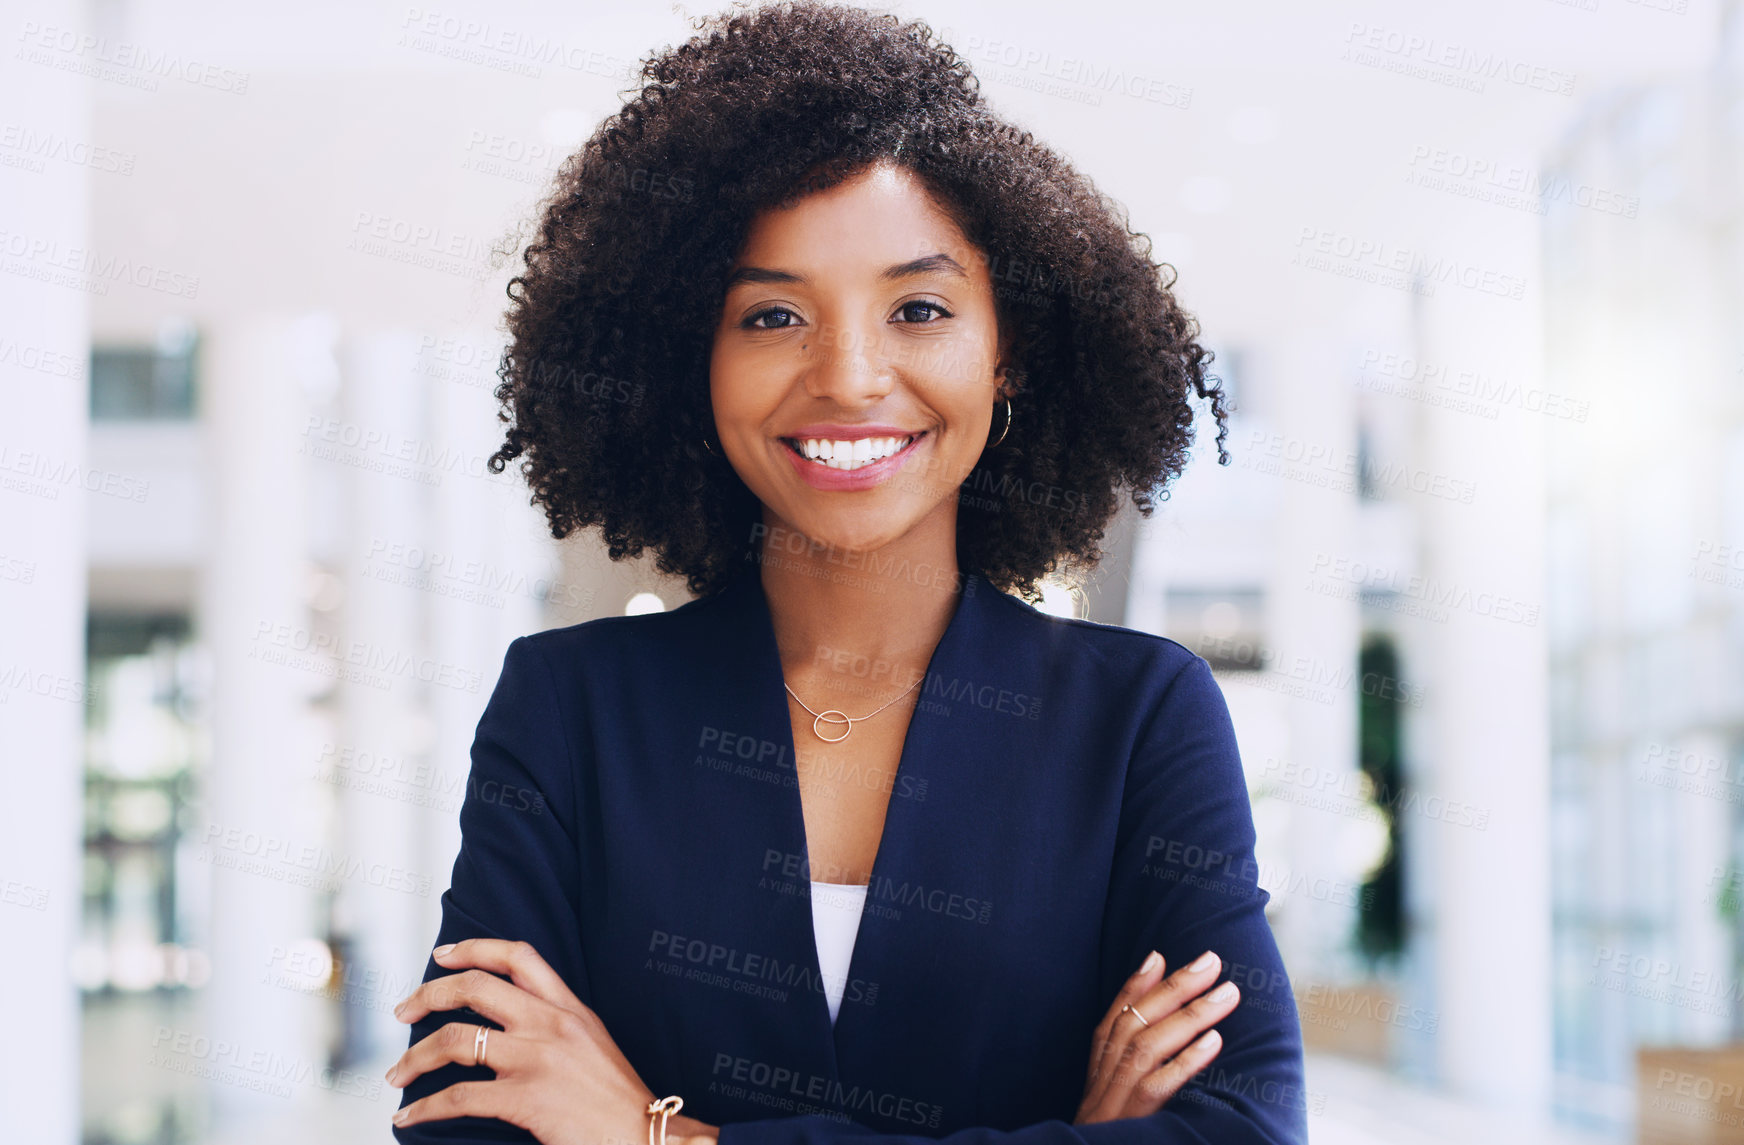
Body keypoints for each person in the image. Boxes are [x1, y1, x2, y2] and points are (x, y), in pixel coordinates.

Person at [385, 3, 1307, 1144]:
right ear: (693, 357)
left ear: (1007, 348)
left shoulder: (1137, 716)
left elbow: (1241, 1130)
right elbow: (467, 1113)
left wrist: (659, 1134)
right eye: (773, 314)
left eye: (918, 308)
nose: (850, 375)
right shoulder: (571, 706)